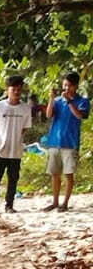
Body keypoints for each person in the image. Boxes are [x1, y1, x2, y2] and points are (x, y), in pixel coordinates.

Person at [0, 75, 34, 214]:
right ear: (7, 89)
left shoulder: (25, 109)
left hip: (16, 149)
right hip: (0, 147)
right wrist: (3, 136)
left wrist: (14, 136)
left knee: (13, 179)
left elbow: (25, 128)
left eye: (19, 89)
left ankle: (9, 205)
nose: (16, 92)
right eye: (14, 89)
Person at [42, 71, 90, 212]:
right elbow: (49, 115)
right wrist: (51, 99)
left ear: (75, 86)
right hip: (54, 142)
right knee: (55, 174)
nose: (66, 88)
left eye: (69, 85)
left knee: (69, 174)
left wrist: (69, 101)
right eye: (64, 85)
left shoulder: (83, 101)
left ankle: (65, 203)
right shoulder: (58, 101)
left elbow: (80, 116)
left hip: (70, 143)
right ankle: (55, 201)